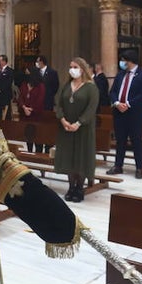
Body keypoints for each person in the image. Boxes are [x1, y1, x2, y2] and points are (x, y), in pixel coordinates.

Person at [54, 58, 99, 202]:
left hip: (83, 129)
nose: (72, 69)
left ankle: (79, 188)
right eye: (70, 66)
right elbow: (58, 104)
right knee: (69, 157)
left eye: (75, 67)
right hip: (66, 127)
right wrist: (63, 120)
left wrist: (79, 123)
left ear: (82, 69)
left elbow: (91, 109)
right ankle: (71, 186)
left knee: (81, 157)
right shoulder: (67, 85)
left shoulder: (91, 87)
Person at [107, 49, 142, 179]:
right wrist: (116, 102)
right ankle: (118, 165)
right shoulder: (121, 74)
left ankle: (139, 167)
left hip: (135, 113)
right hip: (119, 111)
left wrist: (127, 104)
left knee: (136, 140)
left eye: (123, 60)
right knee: (120, 140)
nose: (121, 62)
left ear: (130, 61)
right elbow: (113, 91)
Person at [16, 70, 46, 152]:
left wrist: (31, 109)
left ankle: (38, 152)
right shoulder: (24, 84)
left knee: (37, 135)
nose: (26, 75)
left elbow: (40, 99)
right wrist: (24, 107)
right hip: (25, 115)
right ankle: (29, 151)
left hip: (36, 115)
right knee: (28, 135)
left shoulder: (40, 86)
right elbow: (20, 97)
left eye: (28, 73)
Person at [34, 55, 59, 152]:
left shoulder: (52, 72)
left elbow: (56, 86)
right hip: (37, 104)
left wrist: (49, 95)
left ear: (42, 62)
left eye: (38, 61)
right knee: (39, 126)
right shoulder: (36, 72)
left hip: (48, 102)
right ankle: (38, 146)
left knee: (47, 125)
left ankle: (48, 146)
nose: (37, 63)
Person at [0, 54, 14, 121]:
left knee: (7, 114)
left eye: (0, 60)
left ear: (4, 61)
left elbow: (9, 82)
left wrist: (1, 89)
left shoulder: (10, 71)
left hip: (5, 95)